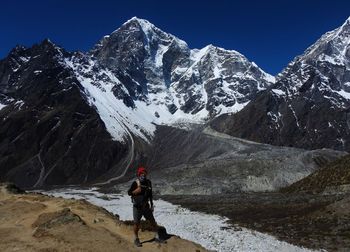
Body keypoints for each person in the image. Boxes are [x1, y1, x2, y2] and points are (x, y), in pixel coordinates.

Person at [128, 166, 164, 247]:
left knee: (152, 221)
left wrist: (151, 205)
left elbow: (150, 195)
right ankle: (136, 239)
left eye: (145, 173)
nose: (143, 175)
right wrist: (135, 191)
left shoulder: (148, 182)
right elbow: (129, 193)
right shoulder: (135, 183)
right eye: (142, 173)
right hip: (137, 207)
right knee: (137, 223)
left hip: (146, 206)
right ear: (139, 174)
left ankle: (157, 237)